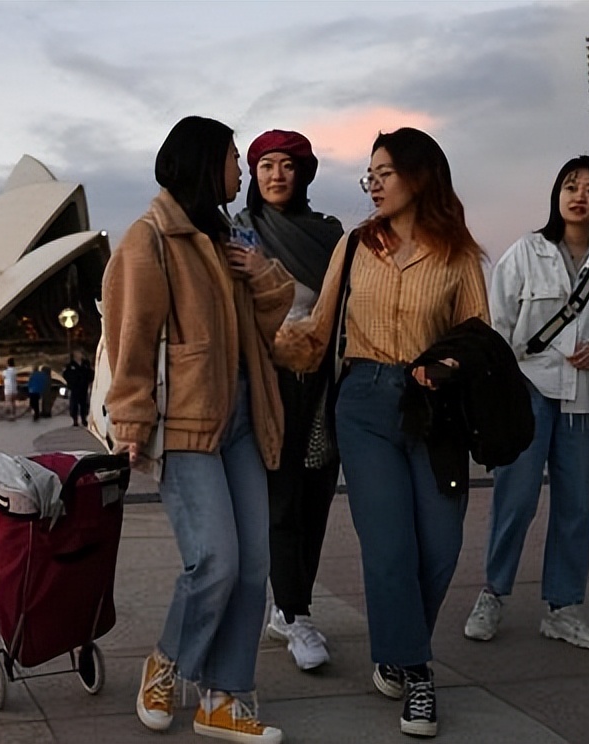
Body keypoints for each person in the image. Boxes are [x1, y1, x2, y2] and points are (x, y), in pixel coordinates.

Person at [275, 127, 488, 738]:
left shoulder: (459, 255)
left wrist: (446, 367)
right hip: (364, 402)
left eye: (384, 173)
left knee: (442, 546)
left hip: (434, 409)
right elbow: (318, 330)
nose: (373, 184)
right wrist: (263, 341)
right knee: (390, 545)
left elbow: (478, 341)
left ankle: (399, 643)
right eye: (369, 175)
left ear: (419, 176)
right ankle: (416, 674)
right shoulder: (355, 245)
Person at [103, 115, 294, 744]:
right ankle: (167, 663)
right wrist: (131, 417)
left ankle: (225, 697)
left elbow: (271, 318)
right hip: (186, 421)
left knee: (253, 565)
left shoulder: (225, 235)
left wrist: (259, 273)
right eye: (235, 158)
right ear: (204, 162)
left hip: (244, 413)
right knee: (215, 559)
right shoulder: (151, 236)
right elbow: (129, 336)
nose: (242, 171)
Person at [463, 156, 589, 650]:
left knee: (576, 508)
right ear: (557, 195)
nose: (579, 196)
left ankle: (564, 607)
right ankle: (493, 594)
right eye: (570, 186)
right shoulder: (525, 252)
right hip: (528, 394)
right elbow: (497, 324)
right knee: (514, 501)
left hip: (582, 401)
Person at [235, 130, 344, 671]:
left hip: (322, 380)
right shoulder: (239, 233)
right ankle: (296, 613)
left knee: (316, 493)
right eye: (265, 166)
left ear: (304, 174)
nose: (276, 176)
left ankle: (289, 606)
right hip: (267, 380)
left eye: (287, 166)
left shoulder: (330, 235)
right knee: (279, 497)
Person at [63, 351, 93, 427]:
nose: (80, 355)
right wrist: (71, 382)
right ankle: (75, 420)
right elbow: (66, 374)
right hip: (75, 388)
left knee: (84, 404)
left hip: (84, 387)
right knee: (74, 404)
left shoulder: (85, 364)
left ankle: (84, 419)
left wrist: (89, 379)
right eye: (78, 353)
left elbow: (90, 373)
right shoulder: (71, 365)